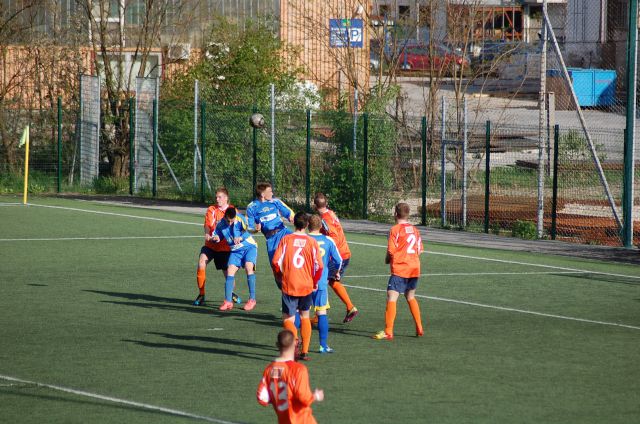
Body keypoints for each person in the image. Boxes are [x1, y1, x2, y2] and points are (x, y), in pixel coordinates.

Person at [272, 212, 322, 361]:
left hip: (290, 284)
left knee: (288, 318)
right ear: (307, 225)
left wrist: (280, 276)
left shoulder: (286, 240)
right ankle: (305, 351)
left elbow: (275, 262)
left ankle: (294, 342)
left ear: (295, 224)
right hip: (306, 285)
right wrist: (314, 282)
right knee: (305, 316)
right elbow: (319, 266)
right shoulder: (312, 242)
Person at [373, 202, 424, 340]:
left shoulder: (395, 229)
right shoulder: (415, 230)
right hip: (414, 267)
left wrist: (387, 259)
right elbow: (419, 250)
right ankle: (419, 327)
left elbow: (391, 250)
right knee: (410, 296)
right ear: (407, 215)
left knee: (391, 296)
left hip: (401, 268)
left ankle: (388, 331)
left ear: (395, 213)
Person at [257, 330, 324, 424]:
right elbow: (304, 398)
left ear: (277, 345)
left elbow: (262, 397)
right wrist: (316, 396)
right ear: (294, 344)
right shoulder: (298, 369)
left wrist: (277, 397)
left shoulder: (270, 370)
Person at [312, 192, 359, 323]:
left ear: (315, 206)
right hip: (342, 253)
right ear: (326, 204)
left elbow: (334, 237)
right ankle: (349, 307)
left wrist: (330, 251)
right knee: (331, 281)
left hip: (339, 255)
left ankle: (320, 314)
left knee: (322, 281)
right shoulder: (330, 213)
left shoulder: (325, 219)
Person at [194, 187, 239, 307]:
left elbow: (237, 228)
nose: (217, 199)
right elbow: (208, 224)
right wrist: (208, 234)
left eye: (219, 197)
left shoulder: (232, 210)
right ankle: (201, 294)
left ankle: (230, 294)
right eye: (216, 197)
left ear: (226, 198)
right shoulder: (211, 209)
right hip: (211, 246)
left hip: (225, 248)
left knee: (228, 274)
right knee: (201, 263)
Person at [246, 182, 295, 286]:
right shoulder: (252, 207)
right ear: (263, 194)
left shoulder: (275, 202)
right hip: (271, 239)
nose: (272, 193)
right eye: (270, 191)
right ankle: (284, 289)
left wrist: (292, 218)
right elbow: (249, 228)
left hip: (284, 232)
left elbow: (289, 213)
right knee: (276, 267)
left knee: (296, 253)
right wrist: (255, 229)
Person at [211, 207, 258, 311]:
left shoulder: (240, 218)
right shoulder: (221, 224)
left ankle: (252, 299)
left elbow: (250, 230)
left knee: (248, 267)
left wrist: (241, 237)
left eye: (232, 221)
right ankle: (228, 301)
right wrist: (216, 238)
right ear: (225, 217)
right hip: (235, 251)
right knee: (230, 271)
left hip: (248, 247)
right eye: (228, 221)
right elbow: (217, 235)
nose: (230, 223)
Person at [307, 214, 342, 353]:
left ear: (308, 225)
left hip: (304, 281)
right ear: (321, 226)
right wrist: (335, 273)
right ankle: (323, 345)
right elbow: (338, 260)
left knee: (301, 312)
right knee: (321, 312)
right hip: (320, 282)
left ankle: (299, 344)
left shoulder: (304, 239)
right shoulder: (328, 240)